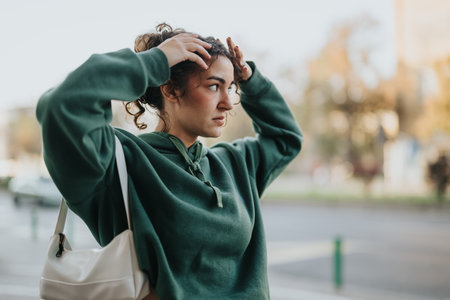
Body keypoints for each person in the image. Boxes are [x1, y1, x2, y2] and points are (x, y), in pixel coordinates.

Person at [36, 23, 303, 299]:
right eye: (214, 86)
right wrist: (156, 61)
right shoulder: (117, 163)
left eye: (231, 88)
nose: (228, 103)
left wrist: (252, 82)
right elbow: (62, 105)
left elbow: (286, 138)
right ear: (170, 90)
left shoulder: (236, 164)